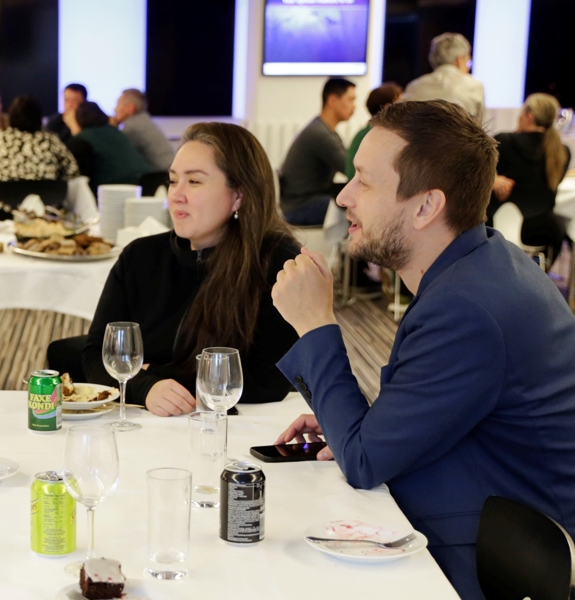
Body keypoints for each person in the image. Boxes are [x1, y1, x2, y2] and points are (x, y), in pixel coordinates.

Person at [270, 100, 575, 600]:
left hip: (499, 559)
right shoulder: (482, 264)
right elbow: (441, 406)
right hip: (492, 510)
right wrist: (356, 421)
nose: (344, 196)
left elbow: (364, 461)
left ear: (426, 206)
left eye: (364, 181)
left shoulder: (467, 307)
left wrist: (315, 323)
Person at [48, 123, 300, 415]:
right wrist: (147, 388)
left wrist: (155, 372)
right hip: (144, 425)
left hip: (231, 429)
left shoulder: (277, 264)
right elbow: (96, 356)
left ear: (238, 195)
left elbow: (268, 382)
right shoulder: (139, 257)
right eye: (172, 180)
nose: (176, 195)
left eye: (194, 182)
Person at [489, 93, 571, 260]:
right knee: (559, 226)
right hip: (541, 228)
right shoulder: (562, 152)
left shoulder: (502, 142)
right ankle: (538, 273)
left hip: (497, 226)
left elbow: (473, 175)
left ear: (529, 116)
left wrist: (492, 180)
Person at [280, 78, 356, 225]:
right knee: (356, 207)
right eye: (350, 99)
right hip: (300, 206)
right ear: (333, 100)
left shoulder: (323, 129)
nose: (354, 106)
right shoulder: (320, 134)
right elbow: (350, 169)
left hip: (303, 201)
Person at [0, 95, 80, 182]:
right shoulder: (50, 140)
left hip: (9, 192)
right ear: (38, 117)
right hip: (47, 192)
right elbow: (72, 171)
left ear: (11, 117)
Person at [65, 101, 150, 192]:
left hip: (115, 187)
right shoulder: (117, 132)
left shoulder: (83, 139)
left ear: (77, 119)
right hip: (146, 181)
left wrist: (74, 129)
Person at [403, 33, 486, 123]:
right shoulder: (475, 85)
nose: (468, 68)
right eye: (468, 63)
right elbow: (482, 126)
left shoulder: (413, 87)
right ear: (459, 60)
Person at [345, 83, 402, 179]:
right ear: (388, 107)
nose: (403, 109)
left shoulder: (363, 134)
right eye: (399, 103)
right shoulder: (378, 137)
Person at [113, 89, 175, 173]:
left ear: (129, 108)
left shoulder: (132, 127)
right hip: (168, 171)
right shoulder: (143, 120)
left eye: (118, 104)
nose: (115, 109)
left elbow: (116, 152)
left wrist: (110, 126)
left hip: (161, 176)